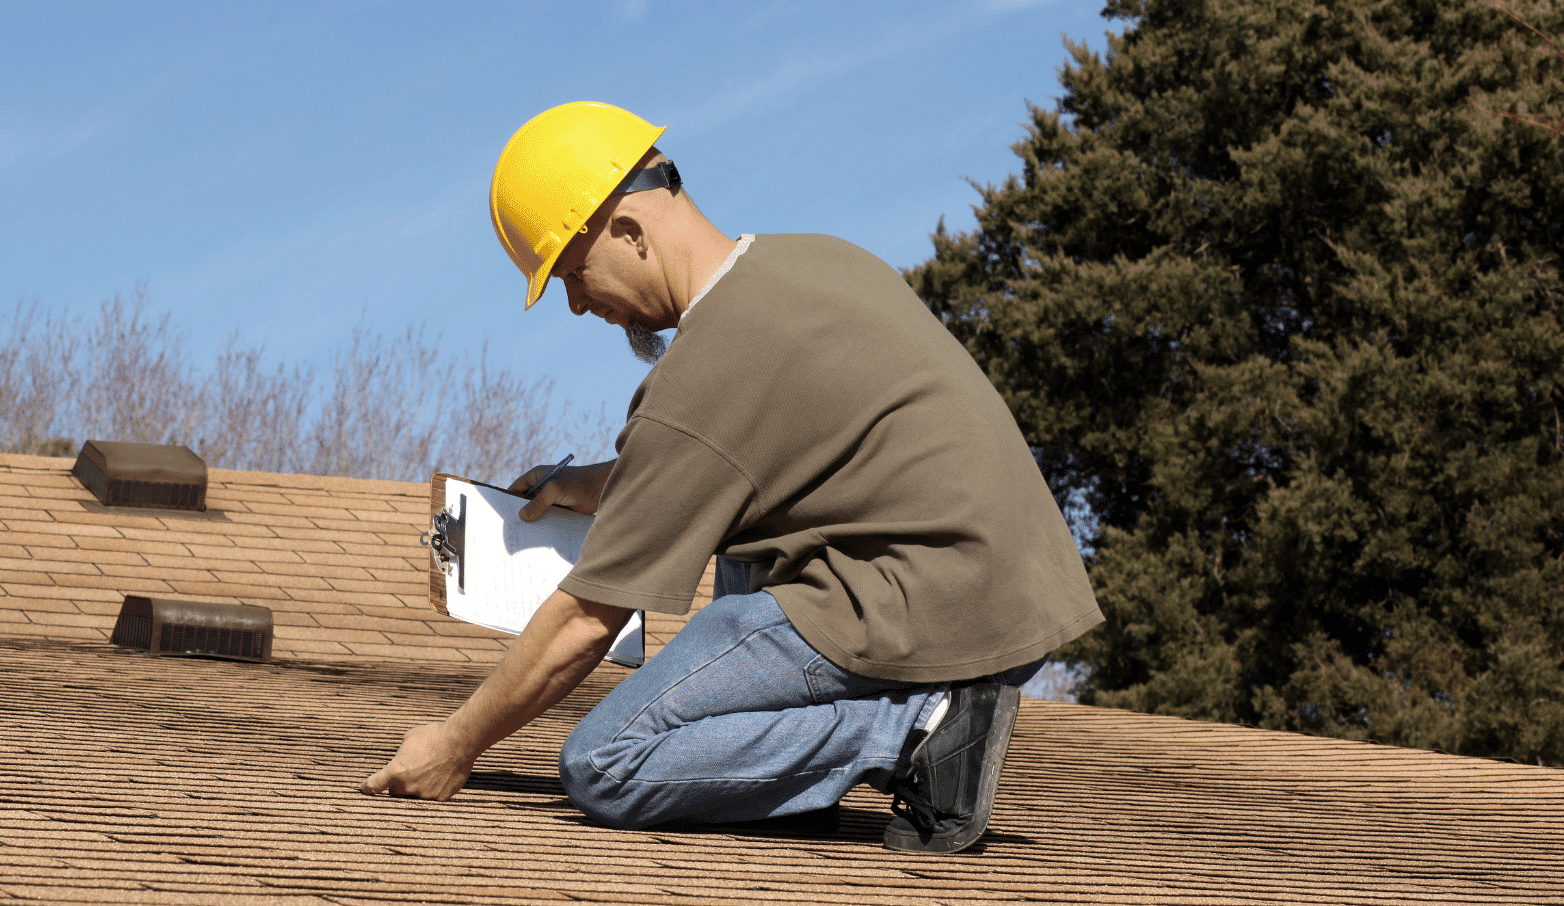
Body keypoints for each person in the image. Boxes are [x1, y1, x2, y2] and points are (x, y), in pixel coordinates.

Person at [361, 102, 1101, 853]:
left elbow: (588, 618)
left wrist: (456, 742)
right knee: (739, 536)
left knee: (603, 763)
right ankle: (792, 784)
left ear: (627, 231)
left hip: (926, 607)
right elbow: (757, 452)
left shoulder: (704, 372)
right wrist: (606, 482)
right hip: (1007, 590)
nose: (580, 306)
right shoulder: (814, 262)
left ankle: (918, 732)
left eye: (572, 275)